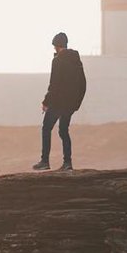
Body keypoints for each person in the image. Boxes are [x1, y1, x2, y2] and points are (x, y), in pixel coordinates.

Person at [32, 32, 86, 172]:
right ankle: (67, 163)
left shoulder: (57, 61)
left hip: (58, 103)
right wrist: (76, 103)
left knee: (46, 128)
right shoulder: (76, 61)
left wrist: (46, 102)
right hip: (70, 104)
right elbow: (83, 83)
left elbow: (54, 84)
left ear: (57, 46)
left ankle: (45, 161)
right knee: (63, 131)